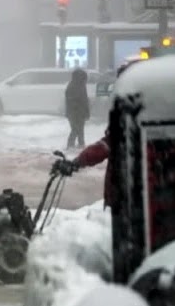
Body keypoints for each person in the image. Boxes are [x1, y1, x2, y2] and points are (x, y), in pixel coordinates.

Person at [61, 59, 142, 210]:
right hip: (136, 201)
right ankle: (73, 144)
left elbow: (108, 145)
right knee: (77, 130)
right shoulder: (153, 110)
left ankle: (74, 144)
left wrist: (77, 162)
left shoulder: (132, 116)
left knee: (77, 130)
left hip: (129, 201)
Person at [64, 68, 90, 149]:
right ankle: (70, 146)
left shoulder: (81, 86)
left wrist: (86, 111)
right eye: (84, 78)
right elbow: (72, 101)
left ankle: (80, 145)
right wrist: (81, 109)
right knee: (75, 129)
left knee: (80, 130)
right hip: (74, 112)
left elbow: (85, 100)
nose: (85, 80)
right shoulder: (72, 86)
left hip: (80, 112)